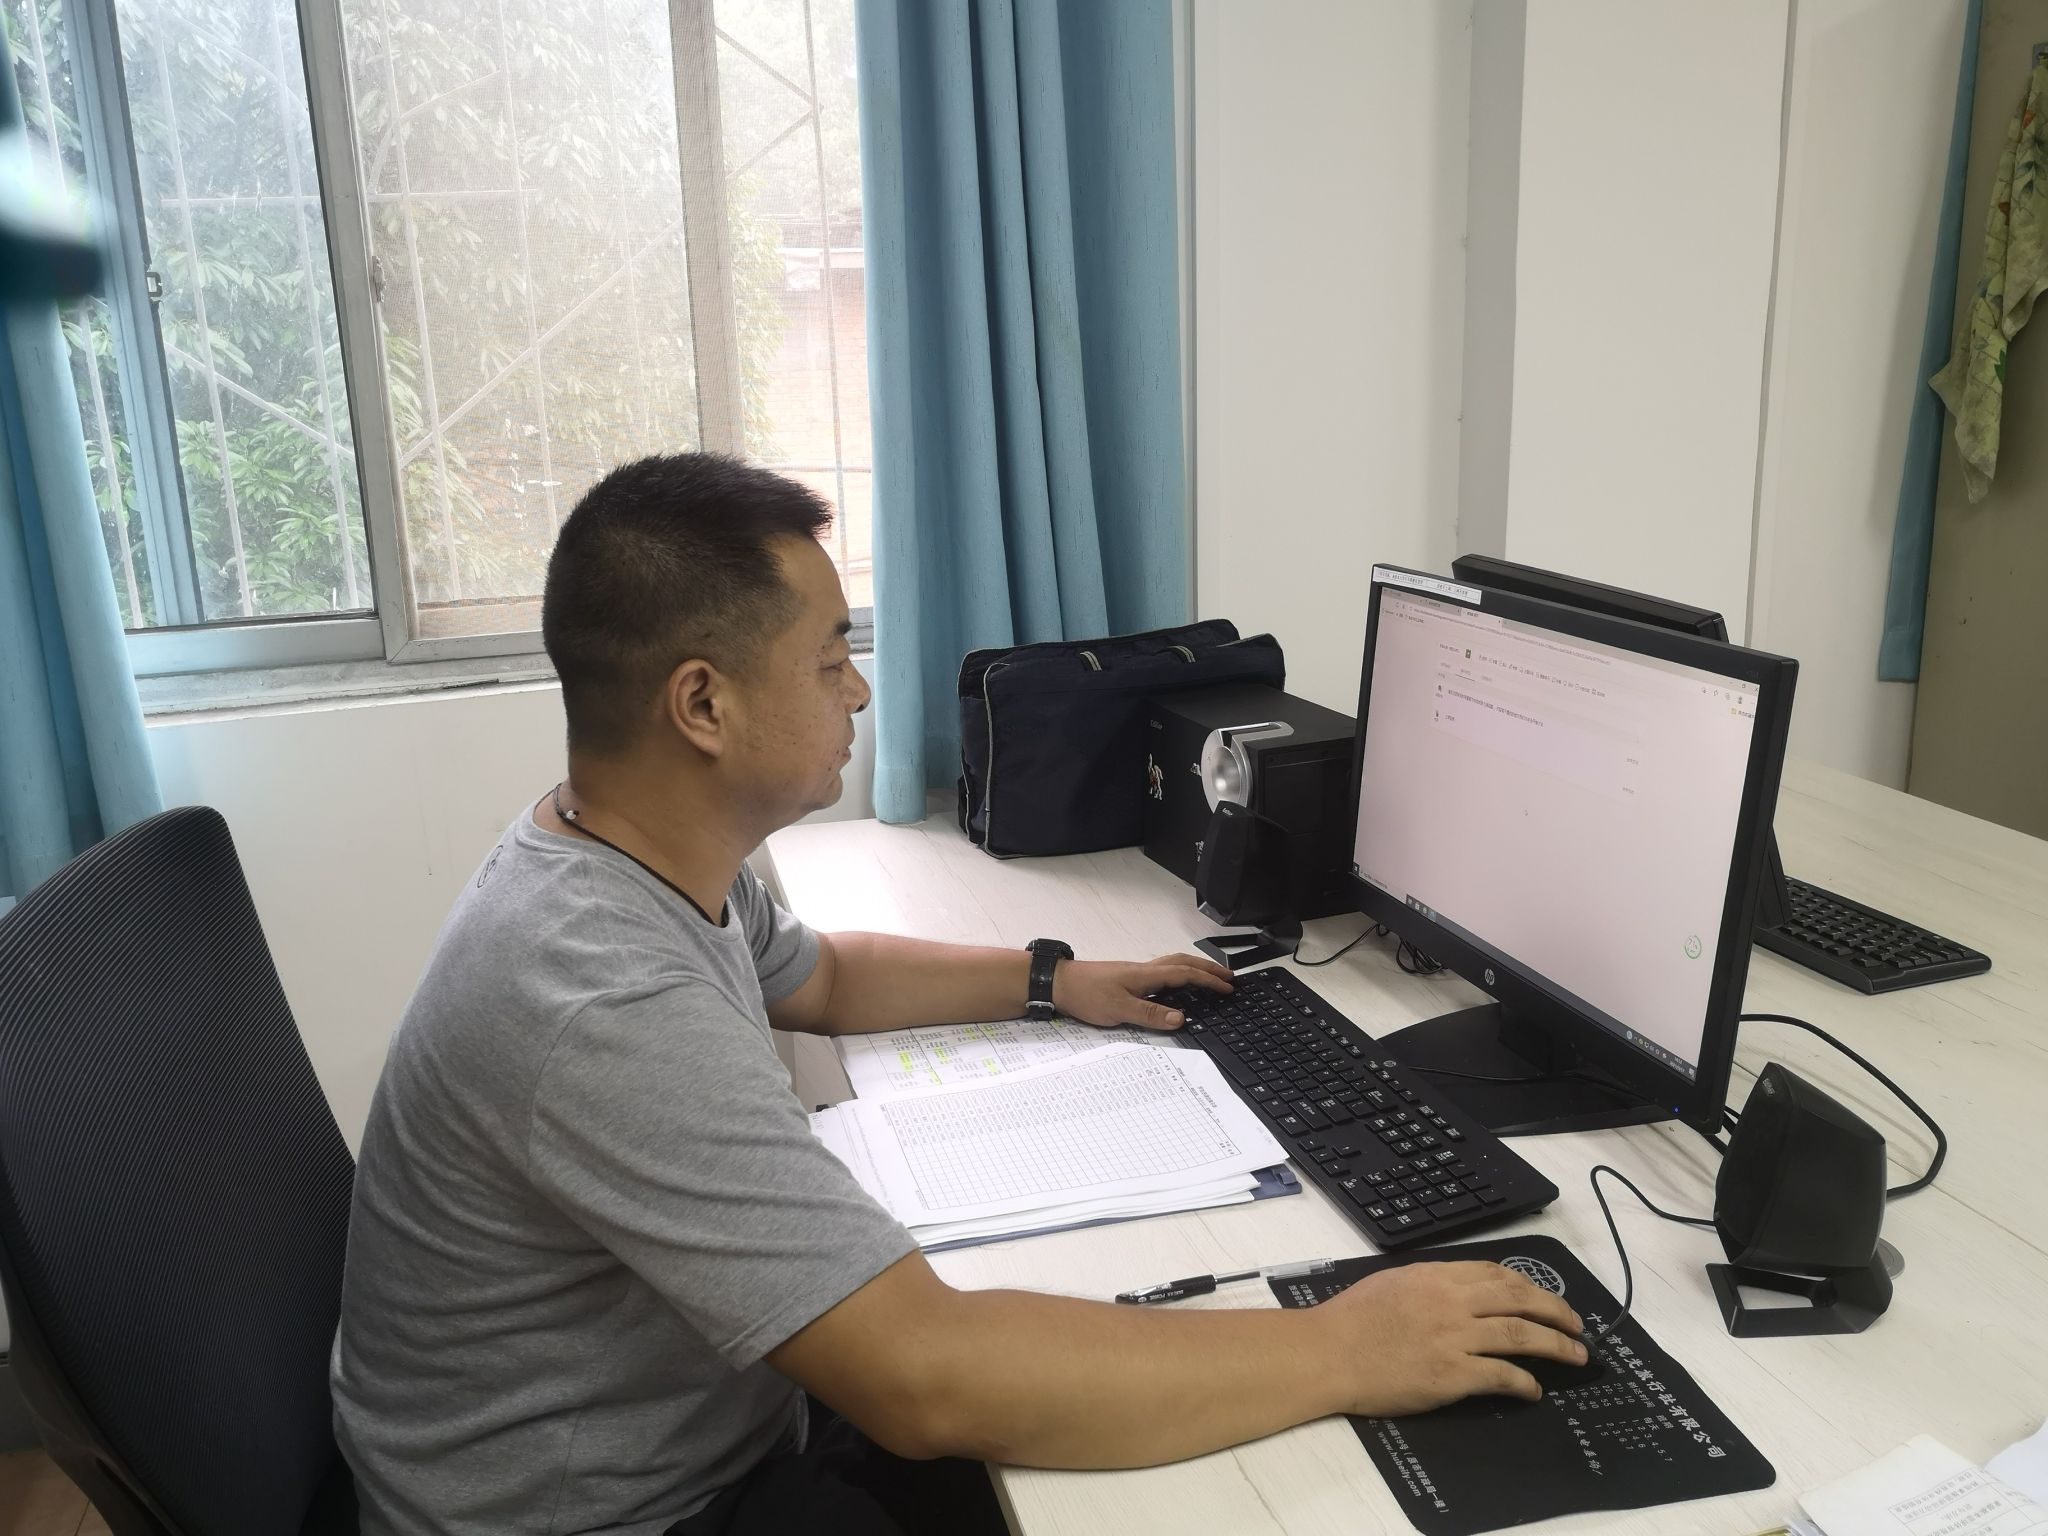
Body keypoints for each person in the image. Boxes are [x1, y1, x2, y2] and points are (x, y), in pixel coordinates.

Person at [330, 454, 1587, 1536]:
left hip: (696, 1436)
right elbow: (924, 1378)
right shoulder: (601, 999)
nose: (857, 690)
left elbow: (821, 976)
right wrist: (1341, 1347)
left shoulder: (620, 849)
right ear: (701, 703)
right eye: (829, 658)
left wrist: (1053, 980)